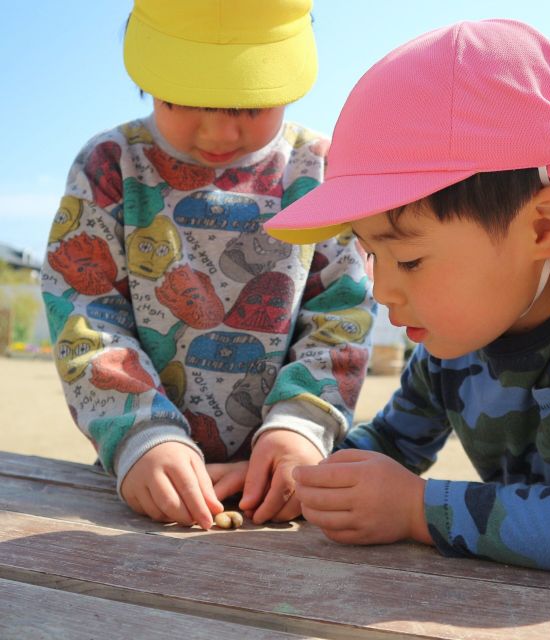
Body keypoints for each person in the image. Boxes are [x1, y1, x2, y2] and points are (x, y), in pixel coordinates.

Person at [264, 19, 550, 573]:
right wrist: (301, 477)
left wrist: (417, 510)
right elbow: (390, 444)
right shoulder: (454, 339)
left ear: (543, 228)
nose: (383, 289)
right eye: (372, 255)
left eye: (410, 259)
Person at [41, 0, 374, 531]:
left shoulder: (319, 171)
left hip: (282, 478)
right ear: (148, 79)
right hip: (150, 476)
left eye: (250, 106)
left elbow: (342, 312)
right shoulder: (109, 166)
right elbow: (87, 315)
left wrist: (300, 428)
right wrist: (142, 435)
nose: (220, 133)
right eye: (185, 99)